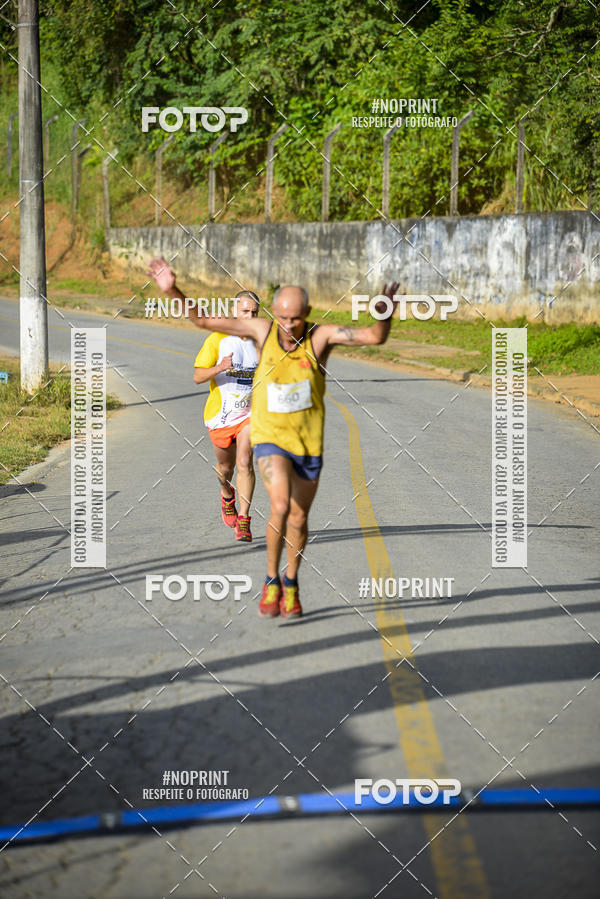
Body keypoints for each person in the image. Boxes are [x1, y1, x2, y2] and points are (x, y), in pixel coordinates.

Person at [148, 257, 398, 620]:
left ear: (307, 313)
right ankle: (270, 580)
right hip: (269, 438)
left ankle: (291, 580)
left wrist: (384, 314)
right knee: (279, 505)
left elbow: (374, 336)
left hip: (307, 443)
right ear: (274, 314)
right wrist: (172, 289)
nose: (288, 325)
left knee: (298, 516)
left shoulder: (320, 337)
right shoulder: (262, 331)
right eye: (282, 317)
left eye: (295, 318)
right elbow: (203, 320)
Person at [192, 290, 259, 542]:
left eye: (254, 312)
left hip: (249, 415)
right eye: (245, 311)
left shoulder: (262, 341)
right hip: (221, 416)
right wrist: (220, 367)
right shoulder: (217, 339)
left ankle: (244, 520)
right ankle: (226, 493)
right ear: (234, 311)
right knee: (225, 468)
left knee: (245, 462)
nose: (250, 317)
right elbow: (198, 376)